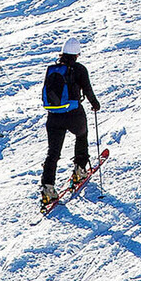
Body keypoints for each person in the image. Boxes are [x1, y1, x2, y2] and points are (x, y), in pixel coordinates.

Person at [40, 37, 100, 204]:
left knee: (53, 152)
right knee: (81, 135)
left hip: (53, 115)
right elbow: (87, 89)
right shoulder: (79, 69)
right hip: (73, 113)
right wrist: (95, 104)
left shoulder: (52, 69)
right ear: (77, 53)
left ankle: (47, 188)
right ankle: (80, 170)